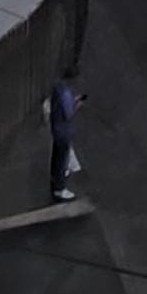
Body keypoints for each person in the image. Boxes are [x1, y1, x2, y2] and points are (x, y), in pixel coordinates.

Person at [48, 72, 84, 204]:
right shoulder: (65, 93)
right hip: (64, 131)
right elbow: (68, 114)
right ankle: (60, 188)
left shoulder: (57, 89)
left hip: (56, 129)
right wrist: (76, 105)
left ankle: (55, 177)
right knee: (62, 159)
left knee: (56, 156)